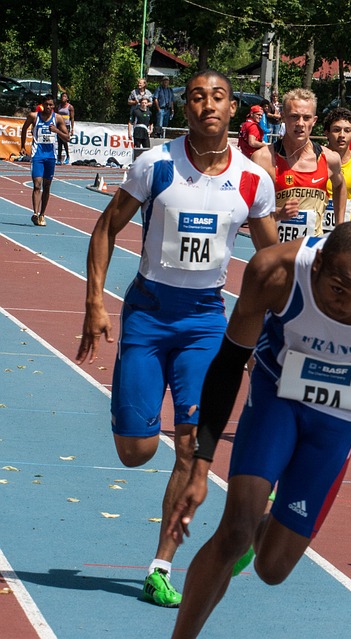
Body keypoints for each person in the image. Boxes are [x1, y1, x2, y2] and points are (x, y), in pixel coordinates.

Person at [75, 70, 280, 608]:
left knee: (192, 448)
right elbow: (104, 228)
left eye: (218, 97)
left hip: (206, 322)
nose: (207, 105)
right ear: (183, 106)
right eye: (197, 97)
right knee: (136, 452)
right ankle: (134, 411)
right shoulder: (156, 164)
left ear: (234, 109)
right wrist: (94, 302)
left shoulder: (254, 180)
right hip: (148, 314)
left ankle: (160, 565)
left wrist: (274, 333)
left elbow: (271, 261)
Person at [167, 223, 351, 638]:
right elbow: (227, 365)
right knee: (234, 532)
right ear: (319, 265)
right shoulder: (275, 272)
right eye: (337, 289)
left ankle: (264, 522)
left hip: (338, 420)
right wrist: (201, 465)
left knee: (272, 569)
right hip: (277, 398)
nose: (347, 304)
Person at [252, 88, 345, 242]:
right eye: (294, 117)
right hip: (277, 253)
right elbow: (251, 212)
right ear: (283, 118)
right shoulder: (263, 159)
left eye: (306, 117)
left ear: (314, 121)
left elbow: (340, 185)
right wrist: (277, 214)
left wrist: (340, 226)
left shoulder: (329, 159)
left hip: (313, 253)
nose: (300, 124)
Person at [19, 94, 71, 227]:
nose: (49, 107)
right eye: (47, 104)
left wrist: (56, 130)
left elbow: (67, 138)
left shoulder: (57, 118)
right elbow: (24, 129)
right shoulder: (34, 116)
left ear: (54, 106)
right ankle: (35, 214)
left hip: (51, 157)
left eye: (51, 105)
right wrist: (23, 146)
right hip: (37, 155)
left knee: (47, 186)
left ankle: (42, 214)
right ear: (42, 105)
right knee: (37, 184)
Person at [56, 91, 74, 165]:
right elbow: (56, 115)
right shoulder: (59, 106)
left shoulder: (70, 107)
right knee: (59, 142)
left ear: (67, 98)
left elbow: (72, 118)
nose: (63, 98)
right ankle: (59, 158)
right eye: (62, 96)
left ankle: (67, 156)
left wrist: (72, 128)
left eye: (64, 97)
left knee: (64, 141)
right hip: (59, 125)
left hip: (66, 126)